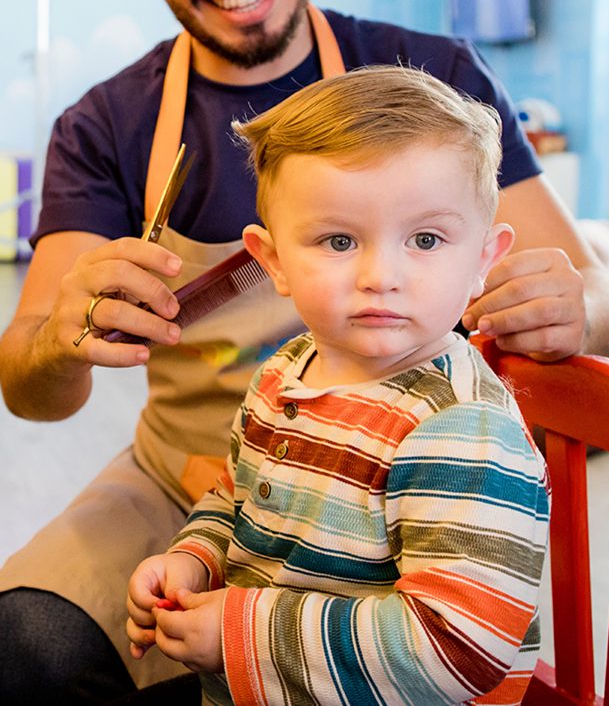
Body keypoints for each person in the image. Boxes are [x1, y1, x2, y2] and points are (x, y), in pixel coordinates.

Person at [0, 0, 609, 700]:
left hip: (399, 490)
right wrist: (61, 335)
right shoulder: (106, 125)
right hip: (202, 474)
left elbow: (605, 290)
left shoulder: (438, 81)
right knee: (24, 643)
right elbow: (30, 386)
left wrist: (585, 301)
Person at [125, 65, 551, 705]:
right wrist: (194, 561)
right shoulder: (284, 373)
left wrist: (239, 635)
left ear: (482, 261)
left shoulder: (461, 431)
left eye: (426, 239)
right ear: (273, 262)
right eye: (339, 239)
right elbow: (236, 498)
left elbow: (454, 651)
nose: (381, 275)